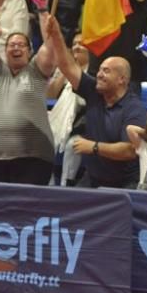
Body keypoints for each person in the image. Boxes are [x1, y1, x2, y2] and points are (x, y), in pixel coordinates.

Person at [46, 16, 145, 189]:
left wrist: (94, 147)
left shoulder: (134, 108)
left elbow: (130, 150)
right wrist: (56, 35)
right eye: (99, 70)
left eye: (106, 71)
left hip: (124, 185)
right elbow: (67, 66)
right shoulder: (95, 92)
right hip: (92, 179)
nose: (99, 75)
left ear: (122, 79)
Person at [0, 0, 56, 184]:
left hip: (34, 158)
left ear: (30, 51)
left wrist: (43, 10)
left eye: (21, 45)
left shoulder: (37, 71)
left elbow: (52, 46)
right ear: (4, 50)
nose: (15, 47)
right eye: (11, 44)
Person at [47, 33, 89, 186]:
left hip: (83, 122)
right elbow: (50, 93)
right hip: (62, 119)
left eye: (81, 43)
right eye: (74, 43)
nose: (77, 46)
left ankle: (66, 184)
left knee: (73, 145)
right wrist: (65, 71)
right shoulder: (65, 68)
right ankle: (48, 182)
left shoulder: (94, 70)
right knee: (43, 139)